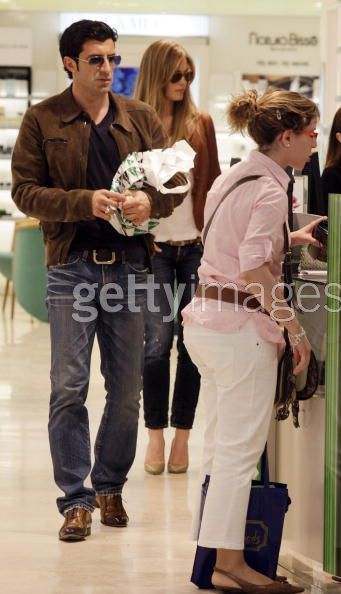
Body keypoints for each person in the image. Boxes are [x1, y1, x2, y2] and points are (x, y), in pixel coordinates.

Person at [11, 20, 187, 542]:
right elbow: (24, 191)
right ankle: (75, 499)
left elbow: (174, 184)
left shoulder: (140, 117)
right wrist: (83, 201)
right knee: (69, 385)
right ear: (70, 63)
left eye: (112, 58)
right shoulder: (43, 118)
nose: (107, 68)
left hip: (131, 266)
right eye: (95, 59)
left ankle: (110, 486)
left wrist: (150, 202)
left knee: (127, 388)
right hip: (72, 267)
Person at [182, 89, 324, 594]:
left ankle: (214, 556)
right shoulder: (270, 189)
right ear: (286, 136)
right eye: (310, 133)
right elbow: (252, 268)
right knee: (239, 453)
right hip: (240, 329)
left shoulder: (234, 176)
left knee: (221, 447)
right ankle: (231, 564)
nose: (314, 143)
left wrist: (288, 237)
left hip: (206, 322)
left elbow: (227, 240)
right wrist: (293, 327)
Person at [133, 40, 221, 475]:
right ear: (157, 75)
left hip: (194, 247)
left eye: (188, 75)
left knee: (192, 345)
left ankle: (182, 437)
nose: (183, 83)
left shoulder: (200, 123)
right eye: (176, 75)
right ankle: (155, 435)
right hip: (153, 249)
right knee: (155, 344)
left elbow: (214, 183)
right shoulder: (135, 123)